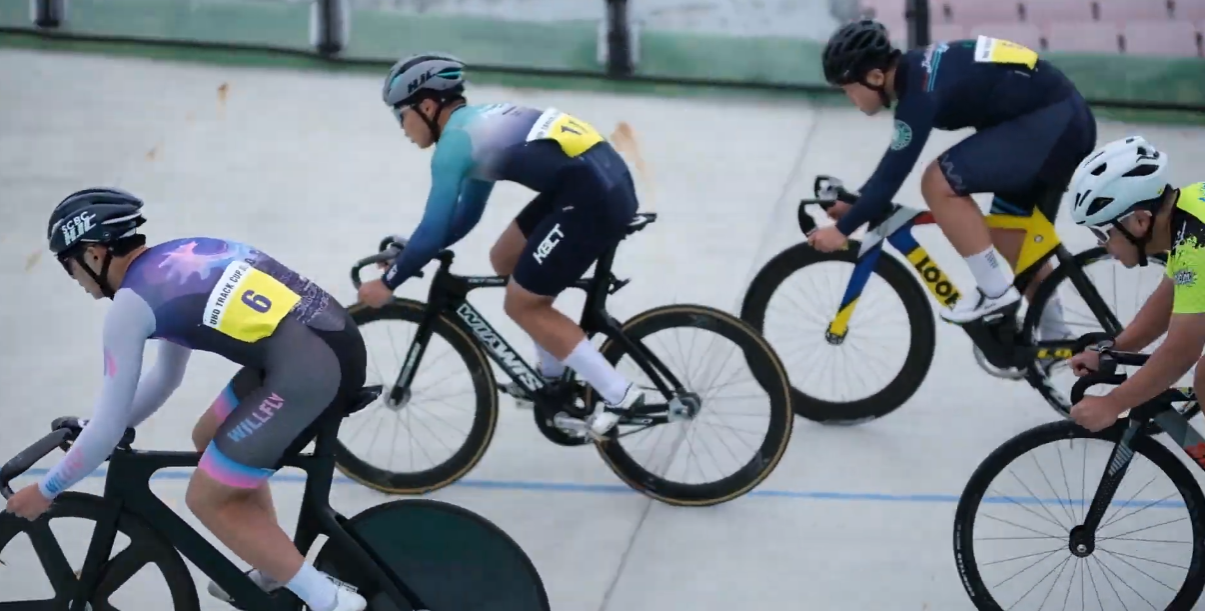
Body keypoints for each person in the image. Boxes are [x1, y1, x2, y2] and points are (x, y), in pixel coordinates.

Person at [3, 188, 368, 611]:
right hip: (325, 344)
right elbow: (165, 378)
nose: (75, 280)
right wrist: (99, 427)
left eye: (69, 266)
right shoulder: (177, 258)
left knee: (206, 497)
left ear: (94, 253)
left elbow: (107, 430)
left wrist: (46, 489)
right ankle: (274, 566)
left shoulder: (130, 306)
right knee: (208, 435)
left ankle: (331, 603)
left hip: (309, 371)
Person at [355, 52, 645, 437]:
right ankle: (552, 377)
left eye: (400, 114)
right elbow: (465, 216)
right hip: (596, 182)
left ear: (426, 106)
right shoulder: (476, 126)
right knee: (505, 257)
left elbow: (435, 227)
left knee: (522, 304)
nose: (402, 127)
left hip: (590, 197)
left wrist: (389, 282)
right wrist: (412, 253)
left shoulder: (455, 146)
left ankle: (620, 395)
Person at [809, 19, 1097, 335]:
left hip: (1051, 127)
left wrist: (843, 230)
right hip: (1054, 123)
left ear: (875, 77)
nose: (850, 99)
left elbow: (892, 175)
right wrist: (857, 204)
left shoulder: (918, 94)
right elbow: (891, 166)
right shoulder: (917, 72)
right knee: (1011, 235)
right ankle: (1056, 337)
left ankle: (994, 293)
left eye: (848, 90)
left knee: (938, 182)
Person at [1064, 137, 1205, 432]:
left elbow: (1181, 351)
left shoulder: (1195, 245)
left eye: (1102, 233)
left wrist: (1113, 403)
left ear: (1140, 221)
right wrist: (1113, 349)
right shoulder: (1187, 216)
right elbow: (1166, 301)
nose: (1101, 244)